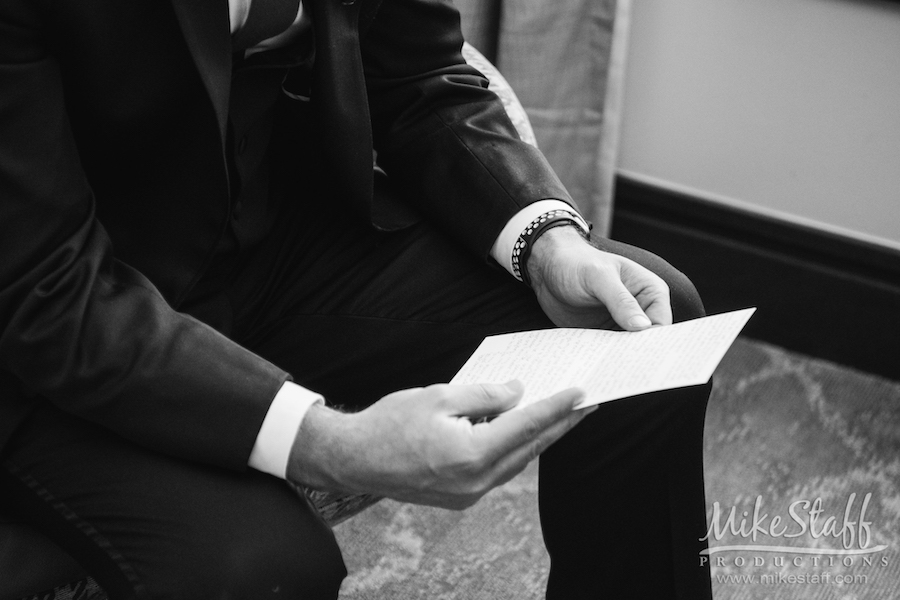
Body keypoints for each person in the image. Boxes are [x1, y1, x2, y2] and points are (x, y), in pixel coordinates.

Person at [0, 0, 713, 597]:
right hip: (53, 323)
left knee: (649, 339)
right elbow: (45, 287)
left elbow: (420, 74)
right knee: (260, 570)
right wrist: (333, 444)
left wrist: (549, 245)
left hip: (271, 238)